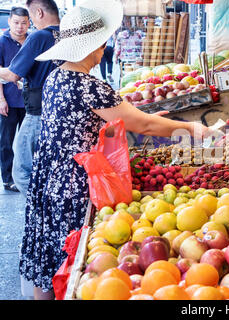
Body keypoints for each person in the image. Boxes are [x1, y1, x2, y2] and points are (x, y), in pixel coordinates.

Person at [19, 0, 210, 300]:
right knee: (71, 261)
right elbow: (143, 126)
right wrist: (191, 129)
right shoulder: (90, 85)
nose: (102, 53)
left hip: (47, 178)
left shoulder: (55, 77)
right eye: (101, 45)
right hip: (73, 182)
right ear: (91, 47)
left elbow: (79, 123)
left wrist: (138, 122)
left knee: (50, 260)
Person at [0, 0, 60, 196]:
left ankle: (42, 209)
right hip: (61, 112)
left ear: (39, 13)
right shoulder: (66, 35)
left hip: (38, 112)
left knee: (22, 172)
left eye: (30, 17)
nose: (28, 23)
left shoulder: (39, 37)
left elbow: (12, 75)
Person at [0, 7, 30, 192]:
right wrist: (1, 99)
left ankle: (28, 176)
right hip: (9, 101)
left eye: (24, 22)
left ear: (29, 22)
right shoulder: (2, 42)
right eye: (16, 22)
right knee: (6, 141)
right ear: (10, 21)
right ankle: (8, 178)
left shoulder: (33, 41)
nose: (20, 27)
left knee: (29, 142)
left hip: (30, 101)